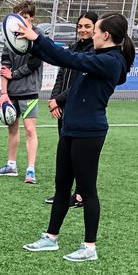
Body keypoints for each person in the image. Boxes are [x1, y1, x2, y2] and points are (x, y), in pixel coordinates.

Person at [18, 12, 134, 262]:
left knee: (87, 190)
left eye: (94, 31)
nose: (90, 34)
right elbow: (61, 57)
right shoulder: (97, 55)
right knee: (61, 186)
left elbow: (68, 57)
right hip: (70, 128)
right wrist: (33, 42)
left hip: (89, 132)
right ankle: (50, 238)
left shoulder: (111, 61)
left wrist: (37, 36)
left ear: (105, 35)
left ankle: (89, 247)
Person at [43, 11, 98, 208]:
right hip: (63, 108)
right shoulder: (73, 48)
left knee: (78, 156)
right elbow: (60, 76)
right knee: (65, 154)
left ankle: (80, 195)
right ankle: (63, 194)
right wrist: (53, 99)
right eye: (80, 26)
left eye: (87, 26)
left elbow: (80, 83)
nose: (82, 30)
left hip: (78, 109)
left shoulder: (94, 52)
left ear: (95, 28)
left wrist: (59, 100)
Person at [0, 0, 43, 183]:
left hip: (29, 91)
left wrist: (15, 74)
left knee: (29, 129)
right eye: (19, 17)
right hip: (12, 93)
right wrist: (3, 93)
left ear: (32, 18)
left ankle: (30, 169)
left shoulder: (37, 36)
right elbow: (5, 67)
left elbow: (35, 63)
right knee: (12, 128)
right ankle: (11, 165)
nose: (22, 21)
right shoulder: (9, 36)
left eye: (26, 17)